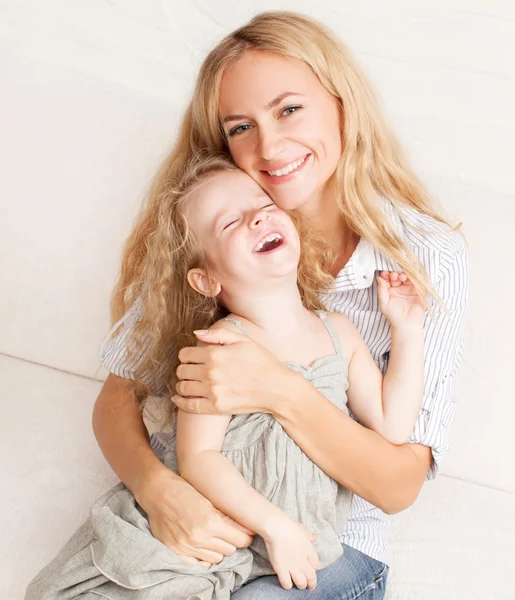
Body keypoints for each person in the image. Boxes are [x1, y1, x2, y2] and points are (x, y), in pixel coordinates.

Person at [94, 11, 469, 599]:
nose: (269, 145)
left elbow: (398, 484)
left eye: (289, 109)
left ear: (342, 103)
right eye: (240, 127)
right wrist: (162, 492)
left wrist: (278, 388)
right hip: (205, 513)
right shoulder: (218, 221)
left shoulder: (424, 256)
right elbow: (117, 399)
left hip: (331, 541)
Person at [26, 156, 427, 600]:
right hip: (219, 537)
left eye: (262, 203)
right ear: (206, 279)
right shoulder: (218, 347)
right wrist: (275, 527)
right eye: (231, 222)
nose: (257, 216)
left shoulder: (340, 335)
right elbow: (199, 457)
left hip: (296, 550)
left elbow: (392, 426)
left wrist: (407, 331)